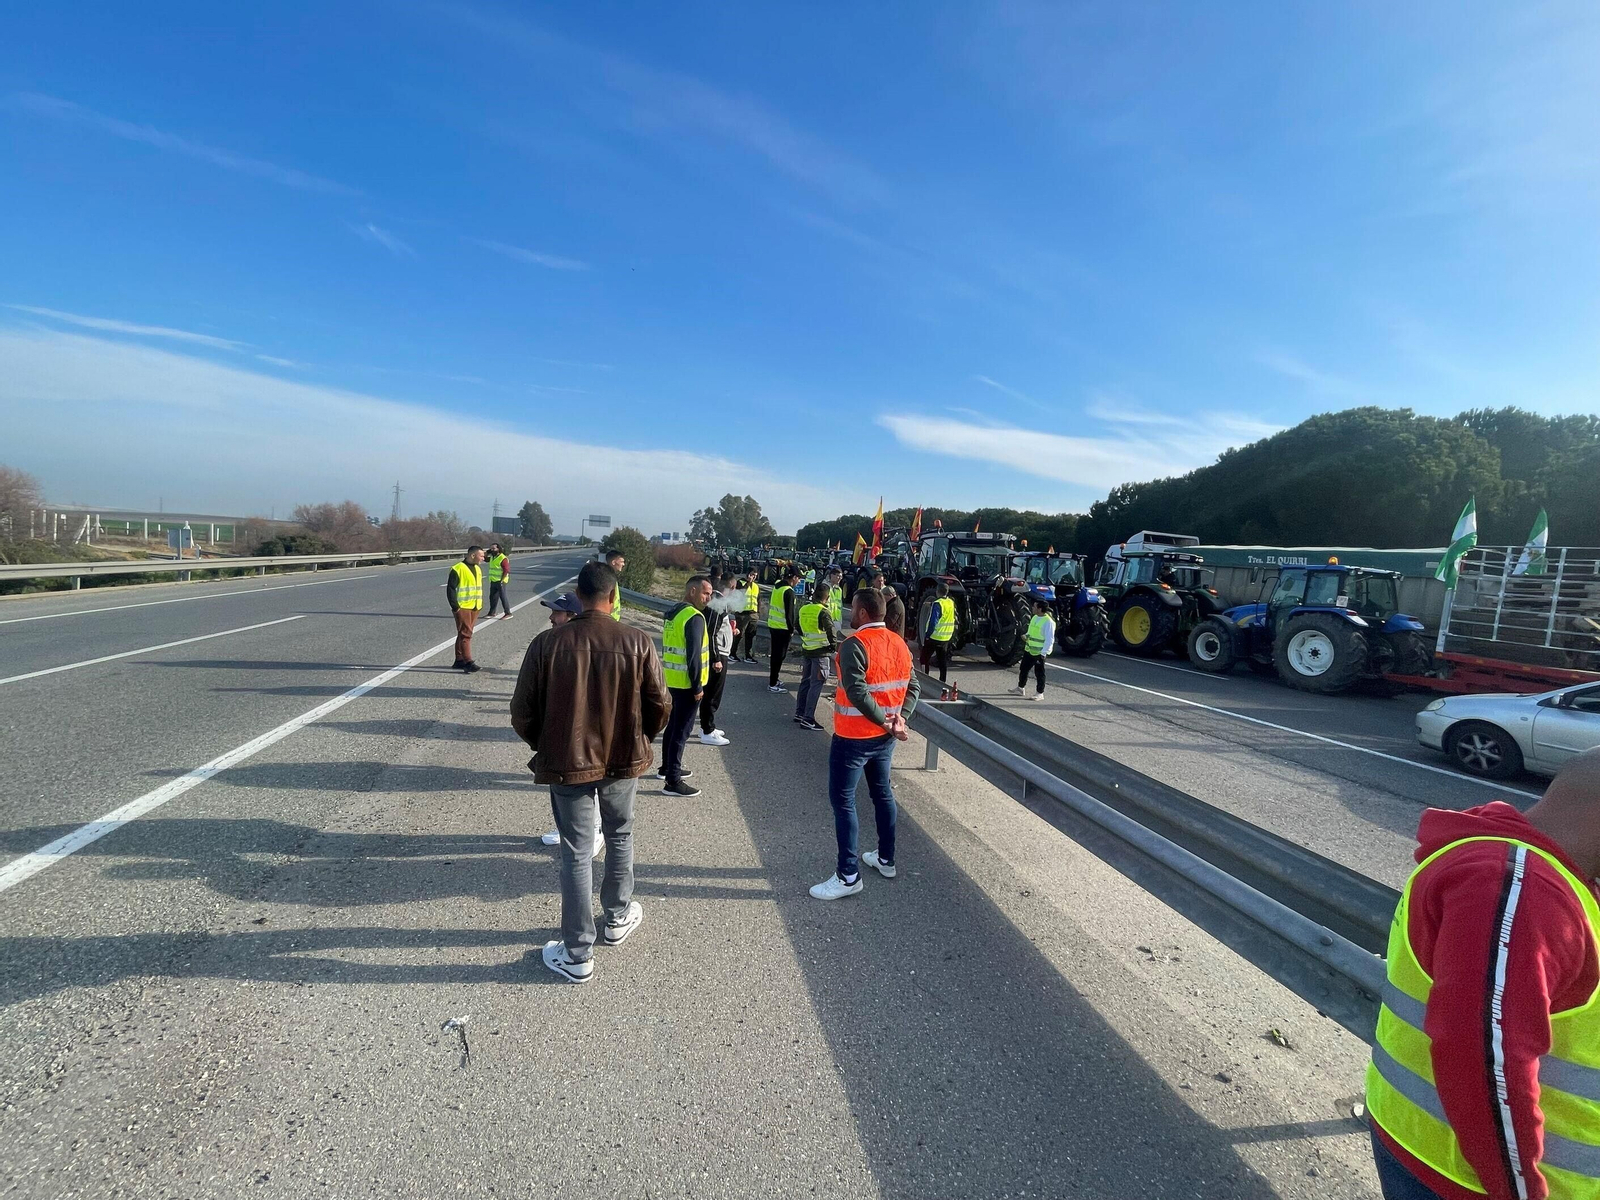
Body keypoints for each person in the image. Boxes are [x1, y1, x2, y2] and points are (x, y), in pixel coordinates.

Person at [1366, 748, 1600, 1200]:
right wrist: (1519, 1192)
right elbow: (1484, 1057)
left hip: (1444, 1154)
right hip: (1471, 1180)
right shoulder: (1520, 887)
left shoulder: (1541, 875)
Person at [509, 561, 669, 984]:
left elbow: (521, 712)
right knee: (620, 835)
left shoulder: (547, 643)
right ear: (614, 598)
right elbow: (660, 706)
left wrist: (547, 745)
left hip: (567, 765)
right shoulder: (637, 641)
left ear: (578, 598)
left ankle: (577, 952)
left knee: (577, 852)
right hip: (621, 762)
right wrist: (639, 739)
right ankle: (617, 918)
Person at [810, 587, 920, 900]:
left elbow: (857, 692)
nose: (849, 612)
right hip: (885, 739)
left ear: (861, 613)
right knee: (882, 795)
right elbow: (914, 686)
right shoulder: (900, 643)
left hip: (854, 738)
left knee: (843, 802)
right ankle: (886, 859)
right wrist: (900, 719)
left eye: (852, 607)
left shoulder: (854, 644)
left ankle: (848, 875)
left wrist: (886, 721)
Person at [532, 592, 606, 858]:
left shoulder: (589, 646)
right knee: (575, 786)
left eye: (557, 613)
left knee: (590, 781)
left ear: (572, 616)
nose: (551, 618)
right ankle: (577, 830)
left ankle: (593, 832)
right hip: (567, 735)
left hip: (589, 734)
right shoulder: (555, 646)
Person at [657, 575, 712, 797]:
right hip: (689, 685)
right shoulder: (694, 617)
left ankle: (666, 768)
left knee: (672, 727)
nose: (708, 598)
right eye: (705, 592)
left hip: (672, 681)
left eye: (710, 594)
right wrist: (698, 686)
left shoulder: (674, 613)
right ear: (692, 591)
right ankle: (673, 780)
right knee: (682, 731)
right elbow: (694, 656)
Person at [793, 582, 838, 731]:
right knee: (816, 684)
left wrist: (806, 637)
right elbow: (831, 631)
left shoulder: (804, 608)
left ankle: (800, 713)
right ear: (827, 597)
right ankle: (808, 718)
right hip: (820, 653)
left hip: (807, 649)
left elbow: (797, 625)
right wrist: (833, 646)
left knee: (805, 682)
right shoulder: (823, 612)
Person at [698, 580, 738, 747]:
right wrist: (716, 659)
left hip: (720, 652)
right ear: (731, 587)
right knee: (713, 694)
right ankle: (708, 730)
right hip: (718, 654)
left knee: (711, 693)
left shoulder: (717, 602)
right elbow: (712, 633)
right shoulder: (718, 604)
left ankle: (706, 727)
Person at [447, 545, 486, 672]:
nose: (483, 558)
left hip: (475, 606)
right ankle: (468, 662)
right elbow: (451, 589)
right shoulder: (457, 569)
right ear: (472, 555)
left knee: (463, 633)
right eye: (481, 556)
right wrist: (455, 607)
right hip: (462, 607)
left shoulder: (478, 568)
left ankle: (459, 660)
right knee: (466, 634)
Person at [1009, 598, 1054, 701]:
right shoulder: (1034, 618)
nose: (1032, 608)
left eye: (1034, 606)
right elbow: (1031, 632)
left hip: (1039, 652)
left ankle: (1040, 693)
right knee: (1023, 669)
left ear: (1040, 608)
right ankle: (1020, 688)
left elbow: (1049, 639)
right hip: (1029, 649)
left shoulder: (1048, 622)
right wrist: (1026, 636)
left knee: (1039, 673)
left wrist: (1043, 653)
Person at [767, 566, 801, 693]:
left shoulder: (777, 585)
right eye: (798, 578)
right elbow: (790, 614)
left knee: (775, 655)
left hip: (773, 625)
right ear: (793, 577)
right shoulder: (789, 592)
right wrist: (792, 629)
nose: (799, 581)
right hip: (783, 628)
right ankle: (773, 683)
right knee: (779, 656)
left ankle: (774, 679)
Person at [919, 580, 956, 683]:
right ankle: (942, 681)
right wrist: (931, 604)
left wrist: (927, 635)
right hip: (945, 637)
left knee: (924, 659)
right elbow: (944, 610)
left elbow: (933, 622)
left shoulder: (937, 604)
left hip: (934, 637)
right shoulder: (950, 602)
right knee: (942, 661)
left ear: (937, 591)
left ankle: (925, 678)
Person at [484, 542, 513, 619]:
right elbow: (484, 558)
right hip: (493, 580)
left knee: (503, 597)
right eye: (491, 549)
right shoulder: (492, 558)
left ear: (498, 549)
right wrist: (488, 551)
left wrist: (501, 580)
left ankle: (508, 613)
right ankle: (492, 613)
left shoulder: (503, 558)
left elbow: (506, 570)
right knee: (492, 597)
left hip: (501, 581)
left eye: (494, 548)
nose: (492, 550)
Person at [737, 575, 761, 663]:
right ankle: (732, 653)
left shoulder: (756, 586)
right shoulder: (741, 583)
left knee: (750, 635)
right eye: (752, 575)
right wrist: (748, 582)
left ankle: (748, 656)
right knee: (739, 634)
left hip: (753, 614)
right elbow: (739, 592)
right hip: (742, 613)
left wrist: (758, 612)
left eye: (755, 575)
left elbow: (758, 600)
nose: (753, 577)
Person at [604, 546, 626, 620]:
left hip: (612, 619)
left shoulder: (611, 576)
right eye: (621, 562)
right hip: (608, 619)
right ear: (613, 562)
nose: (623, 564)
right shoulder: (607, 578)